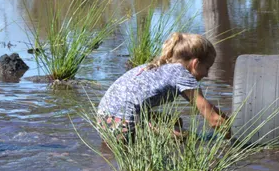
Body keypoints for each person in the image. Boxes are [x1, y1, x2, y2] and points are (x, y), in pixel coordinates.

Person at [97, 33, 227, 138]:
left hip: (103, 120)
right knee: (187, 138)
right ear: (195, 63)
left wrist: (226, 118)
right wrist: (235, 142)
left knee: (175, 122)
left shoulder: (163, 67)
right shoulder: (182, 74)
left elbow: (207, 108)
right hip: (122, 124)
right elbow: (214, 120)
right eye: (207, 68)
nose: (207, 75)